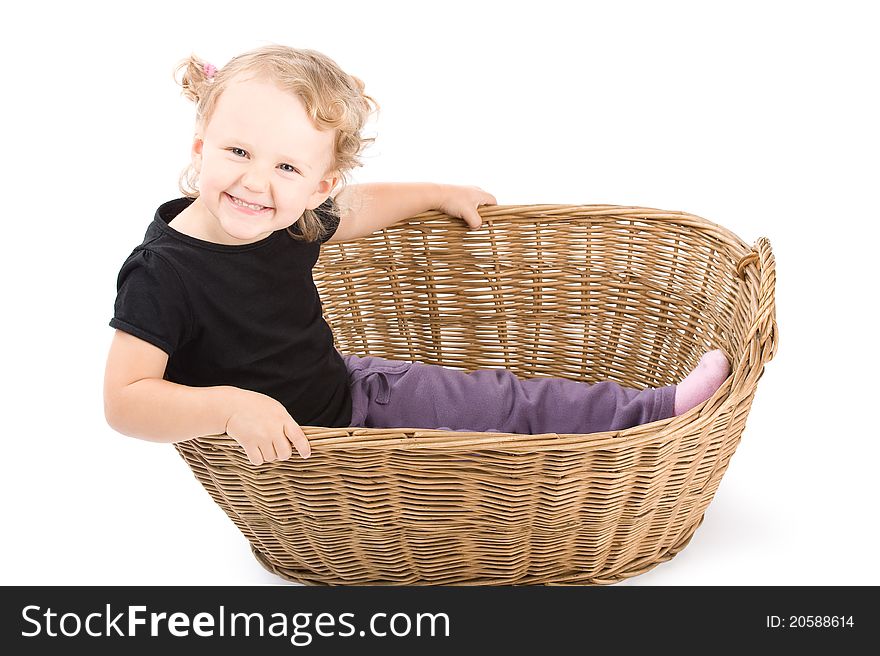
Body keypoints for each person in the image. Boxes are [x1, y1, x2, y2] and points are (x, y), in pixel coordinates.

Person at [104, 44, 730, 466]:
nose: (254, 183)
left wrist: (437, 192)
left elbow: (359, 209)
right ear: (200, 144)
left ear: (318, 186)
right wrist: (229, 406)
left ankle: (651, 412)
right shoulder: (164, 272)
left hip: (356, 397)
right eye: (237, 152)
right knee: (490, 431)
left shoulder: (289, 220)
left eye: (286, 166)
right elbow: (124, 400)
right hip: (303, 456)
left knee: (505, 403)